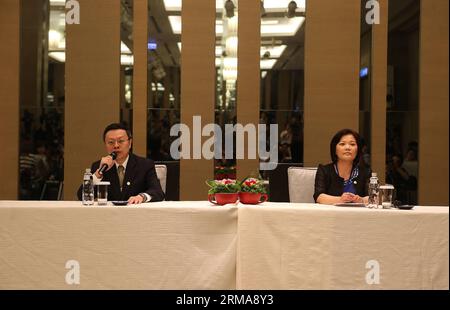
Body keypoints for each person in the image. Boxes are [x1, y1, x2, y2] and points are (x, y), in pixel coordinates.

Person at [77, 123, 164, 204]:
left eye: (120, 141)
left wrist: (142, 197)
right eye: (111, 142)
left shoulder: (145, 165)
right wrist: (98, 174)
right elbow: (82, 196)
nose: (116, 146)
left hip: (136, 215)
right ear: (105, 145)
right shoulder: (99, 166)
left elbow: (158, 192)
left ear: (130, 143)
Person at [314, 129, 371, 205]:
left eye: (352, 144)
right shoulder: (324, 170)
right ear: (335, 149)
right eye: (342, 144)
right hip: (330, 215)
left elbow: (373, 197)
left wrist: (361, 200)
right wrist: (340, 199)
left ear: (357, 150)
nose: (347, 148)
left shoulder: (365, 172)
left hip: (358, 215)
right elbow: (319, 197)